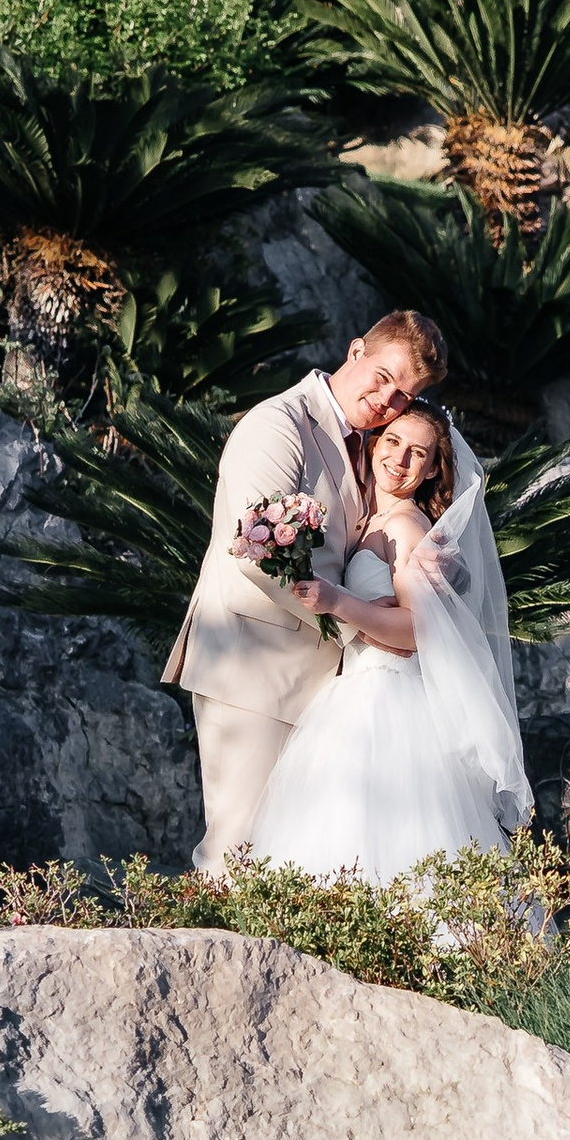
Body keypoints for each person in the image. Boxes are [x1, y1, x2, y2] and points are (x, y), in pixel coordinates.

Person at [163, 311, 449, 873]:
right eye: (384, 377)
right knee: (236, 852)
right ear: (356, 349)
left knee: (294, 863)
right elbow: (252, 548)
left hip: (323, 692)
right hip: (253, 672)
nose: (388, 399)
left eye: (405, 395)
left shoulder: (372, 448)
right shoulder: (280, 424)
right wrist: (358, 618)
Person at [241, 402, 532, 883]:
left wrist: (337, 602)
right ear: (375, 443)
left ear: (434, 468)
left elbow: (416, 632)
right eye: (393, 442)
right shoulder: (375, 522)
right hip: (358, 688)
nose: (399, 459)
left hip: (386, 699)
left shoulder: (405, 527)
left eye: (418, 453)